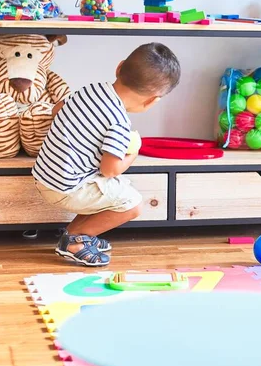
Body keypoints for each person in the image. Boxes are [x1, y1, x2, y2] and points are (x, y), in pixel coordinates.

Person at [33, 43, 181, 266]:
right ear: (152, 100)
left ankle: (80, 233)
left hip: (46, 176)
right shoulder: (119, 122)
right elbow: (110, 169)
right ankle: (74, 242)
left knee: (111, 189)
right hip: (66, 188)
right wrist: (133, 152)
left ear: (119, 68)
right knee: (131, 203)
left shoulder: (89, 90)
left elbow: (57, 109)